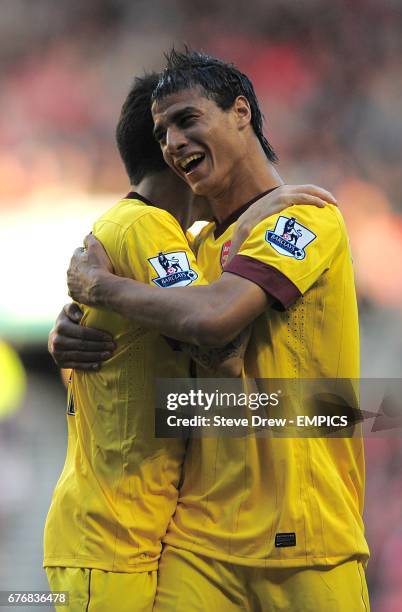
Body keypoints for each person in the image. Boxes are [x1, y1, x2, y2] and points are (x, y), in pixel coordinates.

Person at [66, 51, 370, 611]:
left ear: (240, 111)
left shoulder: (307, 218)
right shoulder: (196, 253)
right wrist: (74, 332)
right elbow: (181, 336)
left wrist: (99, 289)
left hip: (305, 541)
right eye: (161, 134)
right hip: (198, 544)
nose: (172, 143)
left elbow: (211, 319)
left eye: (185, 120)